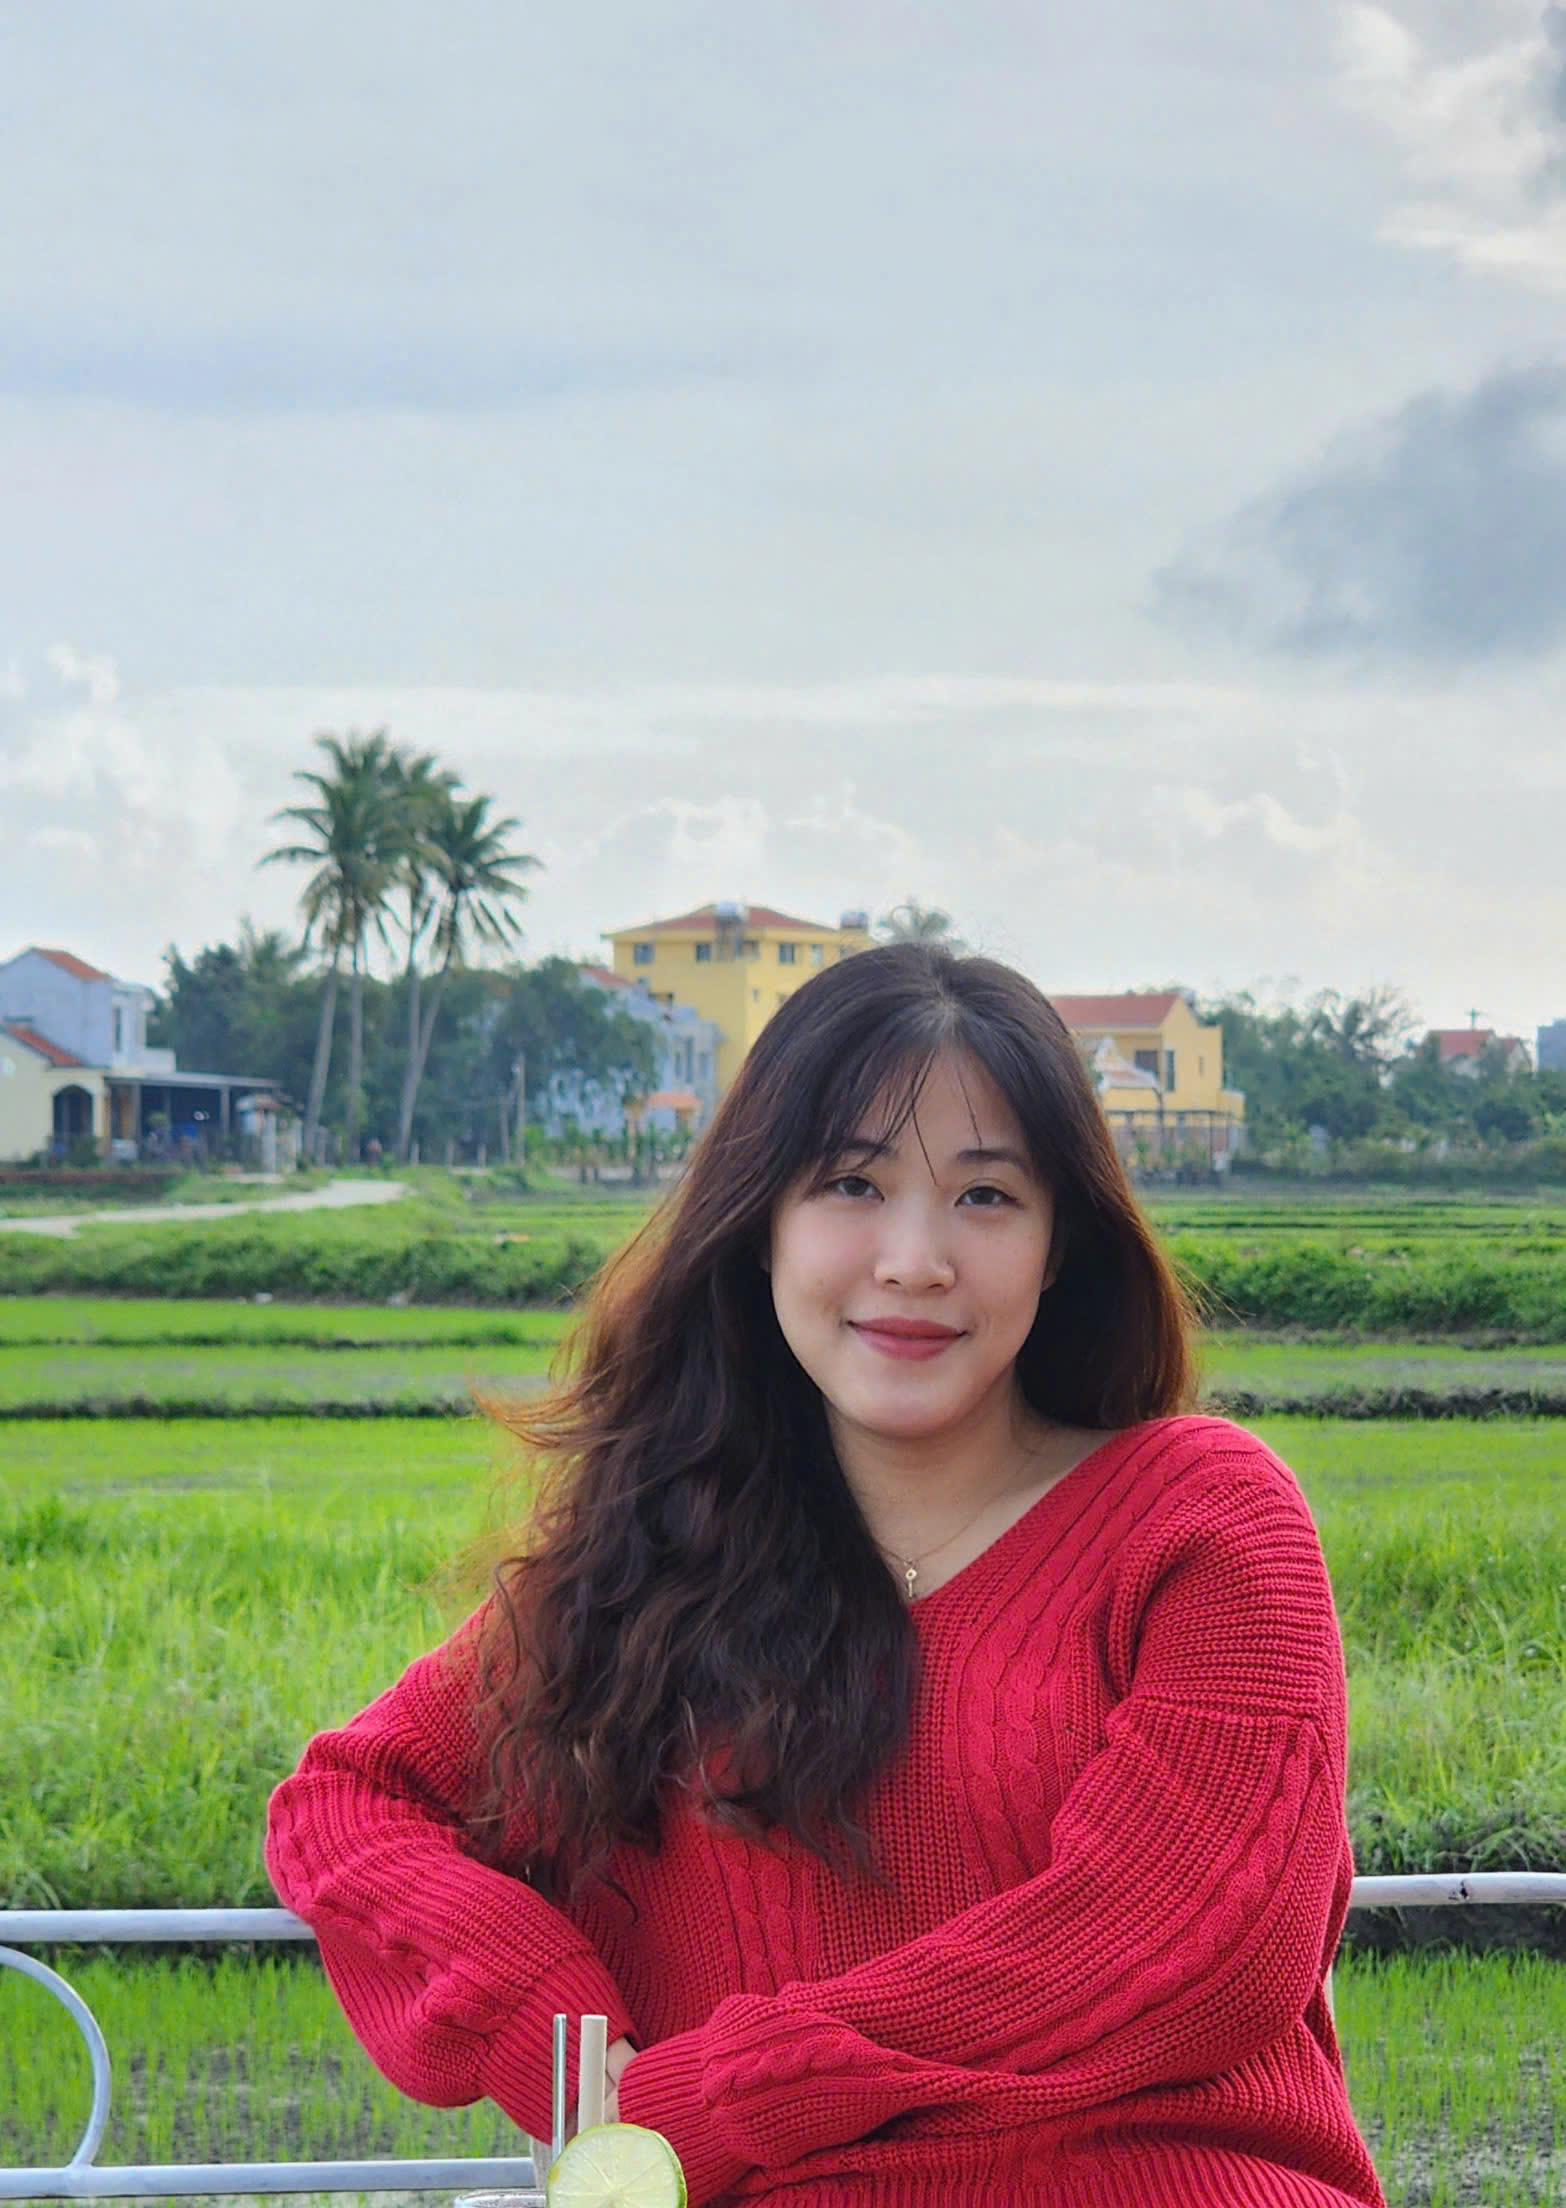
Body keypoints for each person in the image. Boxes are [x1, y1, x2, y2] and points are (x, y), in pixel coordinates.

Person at [265, 944, 1385, 2208]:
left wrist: (721, 2101)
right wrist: (551, 2030)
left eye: (987, 1195)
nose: (914, 1259)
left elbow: (1193, 1941)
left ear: (1060, 1244)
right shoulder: (645, 1566)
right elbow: (347, 1805)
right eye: (853, 1183)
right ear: (761, 1223)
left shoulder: (1200, 1517)